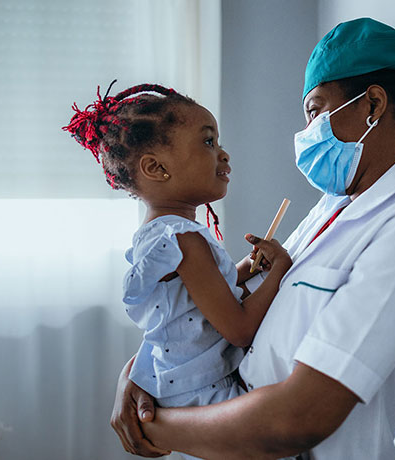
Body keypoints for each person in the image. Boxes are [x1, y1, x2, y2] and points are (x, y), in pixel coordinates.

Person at [111, 17, 395, 459]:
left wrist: (155, 426)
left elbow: (296, 420)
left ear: (373, 105)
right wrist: (139, 375)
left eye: (316, 110)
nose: (307, 134)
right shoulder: (334, 207)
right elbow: (218, 314)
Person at [62, 82, 292, 459]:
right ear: (155, 167)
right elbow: (239, 329)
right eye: (207, 142)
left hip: (179, 390)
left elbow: (194, 301)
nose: (223, 153)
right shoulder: (185, 240)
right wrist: (279, 272)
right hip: (205, 394)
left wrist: (248, 269)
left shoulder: (159, 235)